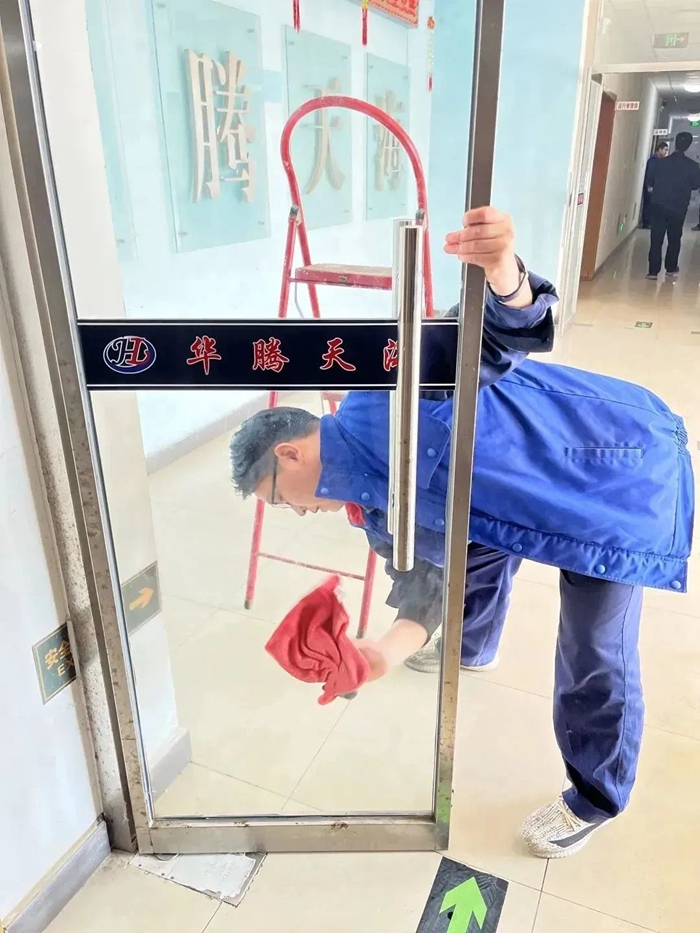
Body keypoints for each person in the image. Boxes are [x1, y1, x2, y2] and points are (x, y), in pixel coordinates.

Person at [229, 207, 694, 859]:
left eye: (280, 499)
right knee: (469, 544)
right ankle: (474, 643)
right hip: (527, 498)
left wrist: (503, 270)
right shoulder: (374, 512)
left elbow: (487, 337)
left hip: (616, 469)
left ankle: (597, 796)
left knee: (594, 648)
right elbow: (425, 585)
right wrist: (376, 655)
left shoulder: (381, 390)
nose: (296, 513)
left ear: (290, 454)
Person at [647, 131, 700, 278]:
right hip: (679, 206)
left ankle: (653, 271)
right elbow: (696, 185)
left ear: (675, 143)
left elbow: (650, 180)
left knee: (656, 238)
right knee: (675, 237)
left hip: (659, 204)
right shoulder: (692, 166)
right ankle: (670, 267)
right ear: (688, 145)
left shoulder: (661, 163)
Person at [640, 139, 668, 228]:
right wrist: (650, 186)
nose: (666, 152)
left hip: (655, 187)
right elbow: (650, 174)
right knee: (648, 205)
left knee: (652, 205)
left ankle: (649, 222)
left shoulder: (659, 160)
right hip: (650, 186)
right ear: (660, 149)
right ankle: (646, 223)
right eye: (665, 150)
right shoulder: (653, 160)